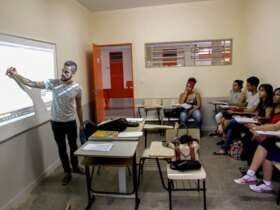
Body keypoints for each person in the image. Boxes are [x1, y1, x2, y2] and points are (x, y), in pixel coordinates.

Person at [6, 60, 84, 185]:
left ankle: (75, 167)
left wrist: (82, 123)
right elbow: (31, 83)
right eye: (62, 70)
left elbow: (79, 107)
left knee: (74, 146)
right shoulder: (53, 83)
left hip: (70, 122)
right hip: (56, 123)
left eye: (66, 72)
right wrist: (15, 75)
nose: (62, 74)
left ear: (73, 73)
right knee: (61, 148)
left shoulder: (77, 88)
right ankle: (67, 172)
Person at [214, 83, 274, 155]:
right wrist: (255, 116)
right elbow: (255, 112)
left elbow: (267, 117)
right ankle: (224, 147)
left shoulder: (269, 103)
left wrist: (258, 117)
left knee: (231, 122)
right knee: (232, 127)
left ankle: (222, 135)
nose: (260, 92)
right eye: (260, 90)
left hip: (260, 124)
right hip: (253, 120)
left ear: (268, 92)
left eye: (262, 90)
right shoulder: (261, 101)